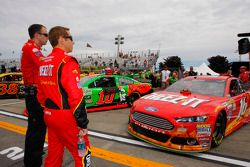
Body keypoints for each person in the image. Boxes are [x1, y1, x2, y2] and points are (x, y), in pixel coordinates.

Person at [37, 26, 90, 167]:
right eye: (71, 38)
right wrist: (82, 123)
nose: (73, 42)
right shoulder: (67, 62)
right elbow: (75, 95)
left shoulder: (43, 62)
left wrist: (49, 109)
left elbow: (40, 94)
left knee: (54, 155)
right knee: (83, 155)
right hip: (66, 118)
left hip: (49, 114)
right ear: (61, 39)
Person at [21, 24, 48, 167]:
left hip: (35, 93)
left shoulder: (34, 48)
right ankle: (32, 163)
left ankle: (33, 160)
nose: (47, 37)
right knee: (36, 129)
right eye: (45, 34)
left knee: (38, 129)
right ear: (37, 35)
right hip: (34, 94)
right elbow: (43, 64)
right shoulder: (30, 47)